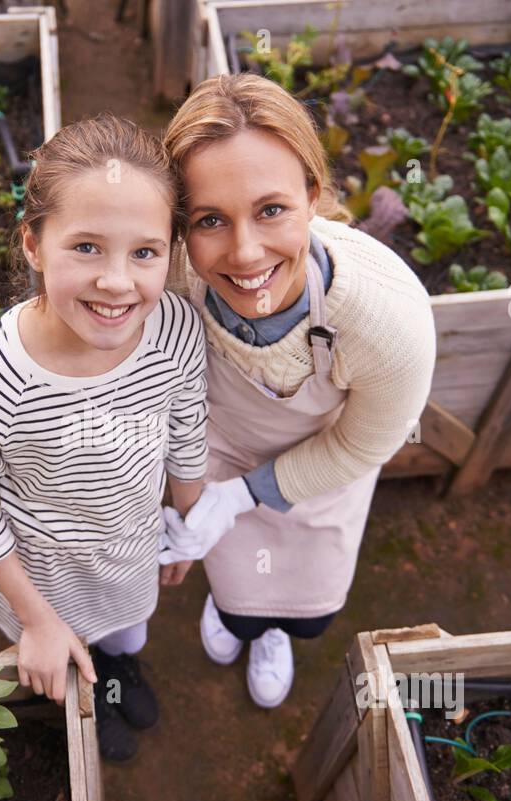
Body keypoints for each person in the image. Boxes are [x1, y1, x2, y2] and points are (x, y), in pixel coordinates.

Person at [158, 74, 437, 708]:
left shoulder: (386, 318)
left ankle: (273, 635)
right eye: (209, 220)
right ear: (180, 227)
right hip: (219, 450)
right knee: (235, 595)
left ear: (312, 194)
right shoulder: (170, 277)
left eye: (271, 209)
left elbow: (362, 446)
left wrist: (241, 500)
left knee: (305, 615)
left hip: (322, 471)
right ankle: (235, 617)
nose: (245, 252)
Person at [0, 115, 207, 761]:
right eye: (86, 247)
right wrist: (34, 619)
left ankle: (116, 675)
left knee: (127, 635)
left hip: (132, 549)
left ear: (169, 251)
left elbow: (187, 426)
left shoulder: (173, 329)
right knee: (59, 656)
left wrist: (189, 520)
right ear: (33, 243)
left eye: (144, 252)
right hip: (42, 574)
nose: (117, 282)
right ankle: (82, 695)